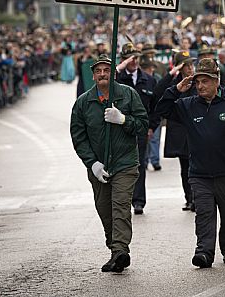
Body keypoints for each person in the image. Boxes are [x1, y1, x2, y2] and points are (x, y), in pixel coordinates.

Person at [156, 58, 225, 268]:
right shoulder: (188, 105)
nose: (200, 86)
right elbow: (162, 110)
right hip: (199, 174)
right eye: (198, 82)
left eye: (206, 81)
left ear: (217, 81)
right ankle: (204, 252)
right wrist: (176, 89)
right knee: (204, 214)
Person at [70, 54, 148, 273]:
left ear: (114, 73)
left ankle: (121, 250)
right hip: (98, 167)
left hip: (124, 162)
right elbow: (78, 136)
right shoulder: (83, 103)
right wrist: (92, 163)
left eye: (107, 70)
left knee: (120, 206)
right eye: (98, 71)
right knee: (105, 211)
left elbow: (143, 125)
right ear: (93, 75)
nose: (102, 74)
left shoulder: (128, 95)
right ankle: (115, 250)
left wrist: (123, 119)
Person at [116, 43, 158, 215]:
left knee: (139, 164)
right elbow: (104, 82)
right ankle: (123, 200)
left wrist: (151, 127)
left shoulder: (149, 80)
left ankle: (138, 201)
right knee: (121, 166)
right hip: (120, 129)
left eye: (136, 58)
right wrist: (120, 67)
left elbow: (156, 107)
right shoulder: (117, 78)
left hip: (140, 130)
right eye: (129, 58)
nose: (133, 61)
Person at [154, 50, 197, 211]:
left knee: (196, 167)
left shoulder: (197, 81)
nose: (190, 69)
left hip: (195, 131)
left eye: (192, 65)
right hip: (180, 132)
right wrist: (172, 73)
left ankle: (197, 198)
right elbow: (158, 93)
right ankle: (189, 198)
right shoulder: (174, 82)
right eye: (186, 66)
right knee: (185, 167)